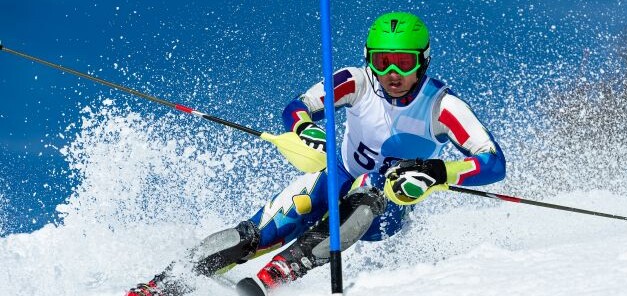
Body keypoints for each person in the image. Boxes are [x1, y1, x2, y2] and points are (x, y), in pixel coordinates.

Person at [128, 11, 506, 296]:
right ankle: (165, 283)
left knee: (368, 192)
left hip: (388, 207)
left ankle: (274, 277)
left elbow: (493, 162)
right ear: (368, 59)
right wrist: (304, 127)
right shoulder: (356, 81)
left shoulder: (442, 106)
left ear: (423, 60)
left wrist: (438, 172)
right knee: (258, 232)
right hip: (337, 177)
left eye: (404, 62)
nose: (392, 73)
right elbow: (298, 106)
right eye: (382, 61)